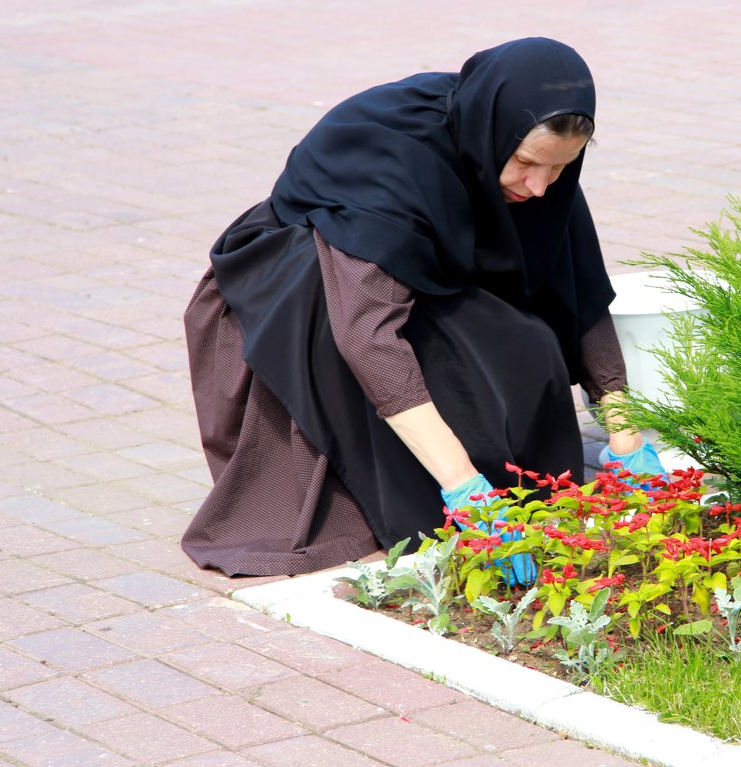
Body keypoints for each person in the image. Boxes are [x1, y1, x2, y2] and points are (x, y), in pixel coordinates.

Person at [181, 37, 664, 579]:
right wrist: (464, 488)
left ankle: (496, 484)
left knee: (523, 345)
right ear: (494, 135)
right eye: (527, 163)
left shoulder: (531, 164)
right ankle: (436, 487)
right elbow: (367, 337)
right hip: (310, 288)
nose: (539, 185)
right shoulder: (391, 167)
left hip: (418, 273)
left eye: (558, 169)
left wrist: (626, 436)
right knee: (449, 364)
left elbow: (579, 289)